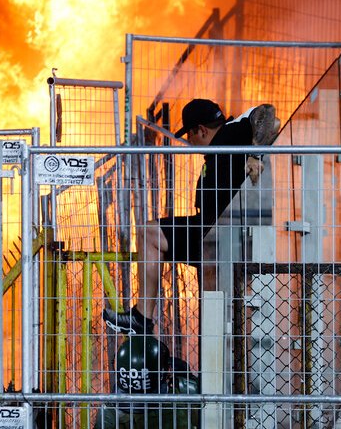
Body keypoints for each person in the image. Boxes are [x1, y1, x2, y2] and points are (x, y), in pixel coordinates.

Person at [102, 98, 280, 335]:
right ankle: (143, 319)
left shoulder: (235, 130)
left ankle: (142, 318)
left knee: (149, 232)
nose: (189, 141)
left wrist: (256, 154)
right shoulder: (219, 147)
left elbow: (268, 114)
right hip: (209, 233)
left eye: (190, 135)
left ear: (201, 130)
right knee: (150, 233)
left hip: (224, 234)